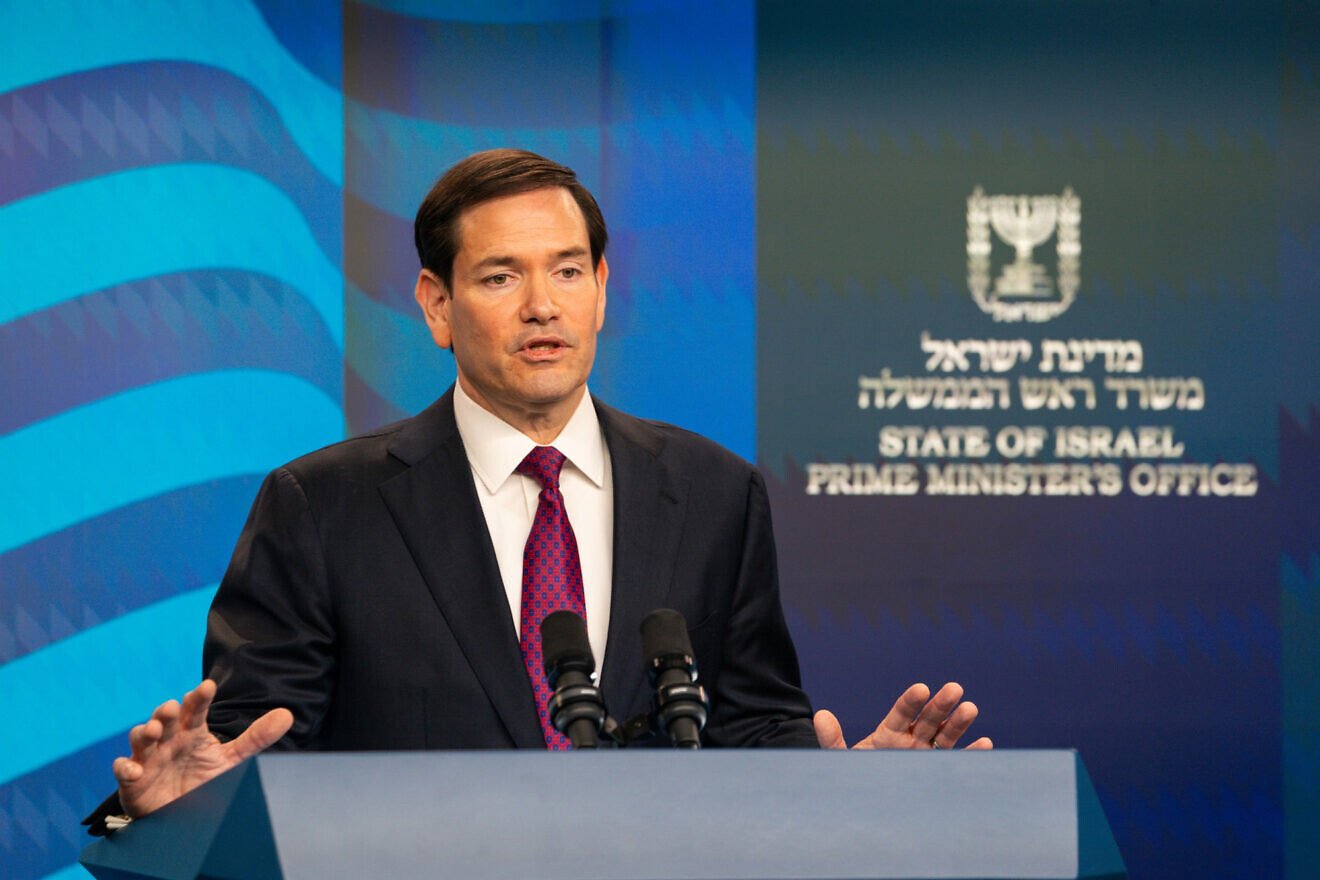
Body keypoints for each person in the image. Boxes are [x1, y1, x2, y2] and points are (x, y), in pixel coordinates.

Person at [86, 149, 990, 835]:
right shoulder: (324, 508)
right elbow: (252, 751)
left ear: (601, 289)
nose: (541, 306)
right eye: (499, 276)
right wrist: (180, 811)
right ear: (437, 307)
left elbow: (751, 733)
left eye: (566, 270)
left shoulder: (715, 493)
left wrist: (849, 791)